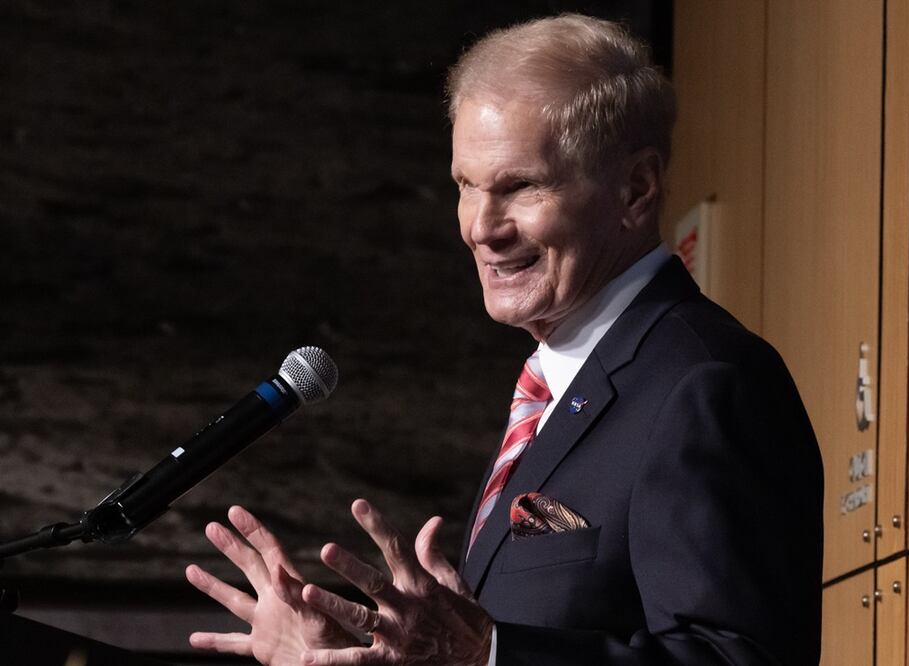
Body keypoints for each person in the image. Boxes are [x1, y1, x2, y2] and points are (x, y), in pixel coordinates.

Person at [185, 14, 823, 666]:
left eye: (520, 186)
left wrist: (485, 651)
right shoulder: (556, 386)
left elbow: (736, 659)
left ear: (636, 188)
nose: (481, 228)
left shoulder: (705, 384)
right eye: (466, 186)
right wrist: (368, 656)